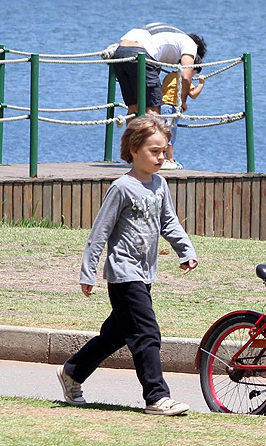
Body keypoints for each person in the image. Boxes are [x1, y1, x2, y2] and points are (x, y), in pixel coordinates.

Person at [57, 115, 198, 416]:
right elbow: (100, 232)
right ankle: (157, 397)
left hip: (145, 274)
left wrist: (185, 250)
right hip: (124, 274)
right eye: (154, 151)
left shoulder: (159, 184)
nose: (161, 157)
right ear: (134, 150)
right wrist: (88, 271)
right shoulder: (122, 187)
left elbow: (168, 222)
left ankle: (72, 372)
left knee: (116, 335)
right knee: (147, 333)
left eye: (164, 150)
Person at [111, 22, 207, 117]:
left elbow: (155, 69)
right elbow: (186, 76)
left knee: (134, 109)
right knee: (153, 111)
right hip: (141, 52)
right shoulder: (190, 44)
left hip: (121, 52)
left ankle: (133, 133)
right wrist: (182, 102)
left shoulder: (171, 36)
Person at [160, 57, 205, 170]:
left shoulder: (169, 76)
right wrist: (201, 83)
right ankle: (169, 160)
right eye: (193, 73)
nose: (192, 76)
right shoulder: (185, 79)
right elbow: (193, 94)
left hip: (162, 106)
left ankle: (164, 158)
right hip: (171, 109)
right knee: (170, 135)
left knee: (163, 132)